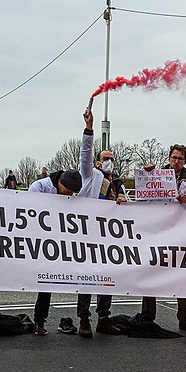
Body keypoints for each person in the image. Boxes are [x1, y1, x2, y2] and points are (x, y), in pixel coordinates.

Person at [138, 144, 186, 332]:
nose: (176, 162)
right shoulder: (157, 175)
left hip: (180, 232)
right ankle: (148, 316)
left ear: (185, 161)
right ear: (169, 158)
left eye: (180, 159)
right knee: (152, 273)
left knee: (182, 274)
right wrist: (146, 175)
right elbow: (144, 199)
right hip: (159, 230)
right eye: (173, 158)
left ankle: (184, 317)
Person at [77, 108, 127, 335]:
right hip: (88, 233)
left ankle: (104, 317)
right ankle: (84, 319)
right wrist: (89, 128)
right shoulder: (90, 175)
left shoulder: (117, 183)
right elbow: (85, 152)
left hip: (108, 237)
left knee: (107, 276)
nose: (110, 163)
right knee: (87, 277)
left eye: (112, 160)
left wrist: (122, 200)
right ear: (98, 162)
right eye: (106, 159)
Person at [27, 167, 85, 334]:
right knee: (46, 280)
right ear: (60, 183)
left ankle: (82, 318)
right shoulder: (39, 187)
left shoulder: (72, 193)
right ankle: (39, 320)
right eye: (67, 192)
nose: (70, 197)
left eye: (72, 194)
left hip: (64, 240)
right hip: (42, 239)